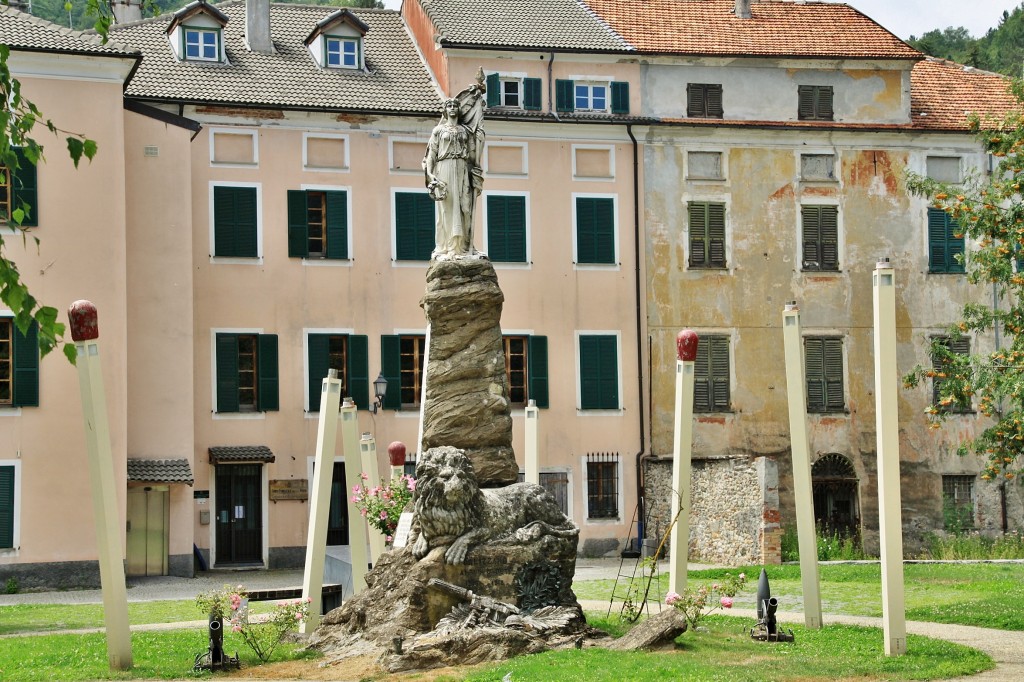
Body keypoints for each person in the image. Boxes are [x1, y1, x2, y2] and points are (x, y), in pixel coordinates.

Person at [423, 69, 486, 259]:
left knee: (464, 207)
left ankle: (465, 246)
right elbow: (431, 155)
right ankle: (449, 247)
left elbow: (474, 148)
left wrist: (475, 168)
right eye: (449, 106)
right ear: (445, 110)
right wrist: (431, 176)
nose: (452, 108)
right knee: (448, 210)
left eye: (454, 106)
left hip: (461, 169)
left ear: (458, 110)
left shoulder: (465, 131)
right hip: (445, 169)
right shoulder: (438, 130)